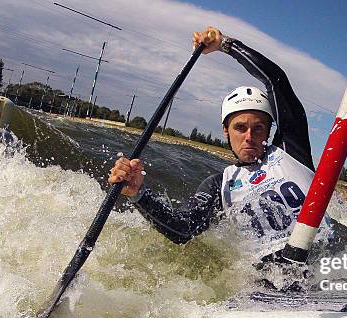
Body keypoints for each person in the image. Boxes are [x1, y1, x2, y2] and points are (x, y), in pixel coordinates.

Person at [108, 26, 330, 259]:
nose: (249, 136)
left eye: (258, 128)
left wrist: (226, 45)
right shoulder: (219, 186)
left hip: (322, 269)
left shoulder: (290, 151)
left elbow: (277, 81)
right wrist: (137, 193)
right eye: (240, 127)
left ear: (269, 131)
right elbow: (183, 229)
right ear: (226, 131)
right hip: (267, 282)